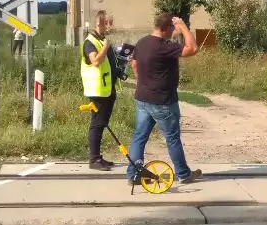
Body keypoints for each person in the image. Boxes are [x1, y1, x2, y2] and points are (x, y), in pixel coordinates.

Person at [127, 12, 203, 185]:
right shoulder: (164, 47)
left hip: (142, 98)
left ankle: (133, 175)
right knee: (172, 138)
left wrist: (143, 82)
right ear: (166, 28)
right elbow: (193, 48)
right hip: (163, 102)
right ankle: (184, 174)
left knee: (139, 138)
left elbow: (134, 64)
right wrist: (183, 26)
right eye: (172, 28)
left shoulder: (142, 42)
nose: (174, 31)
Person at [81, 10, 120, 171]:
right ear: (100, 24)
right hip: (97, 91)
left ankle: (98, 157)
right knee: (96, 124)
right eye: (108, 23)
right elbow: (96, 61)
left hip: (107, 89)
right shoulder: (90, 42)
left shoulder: (103, 40)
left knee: (102, 124)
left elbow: (108, 65)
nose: (111, 26)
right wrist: (105, 47)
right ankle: (93, 159)